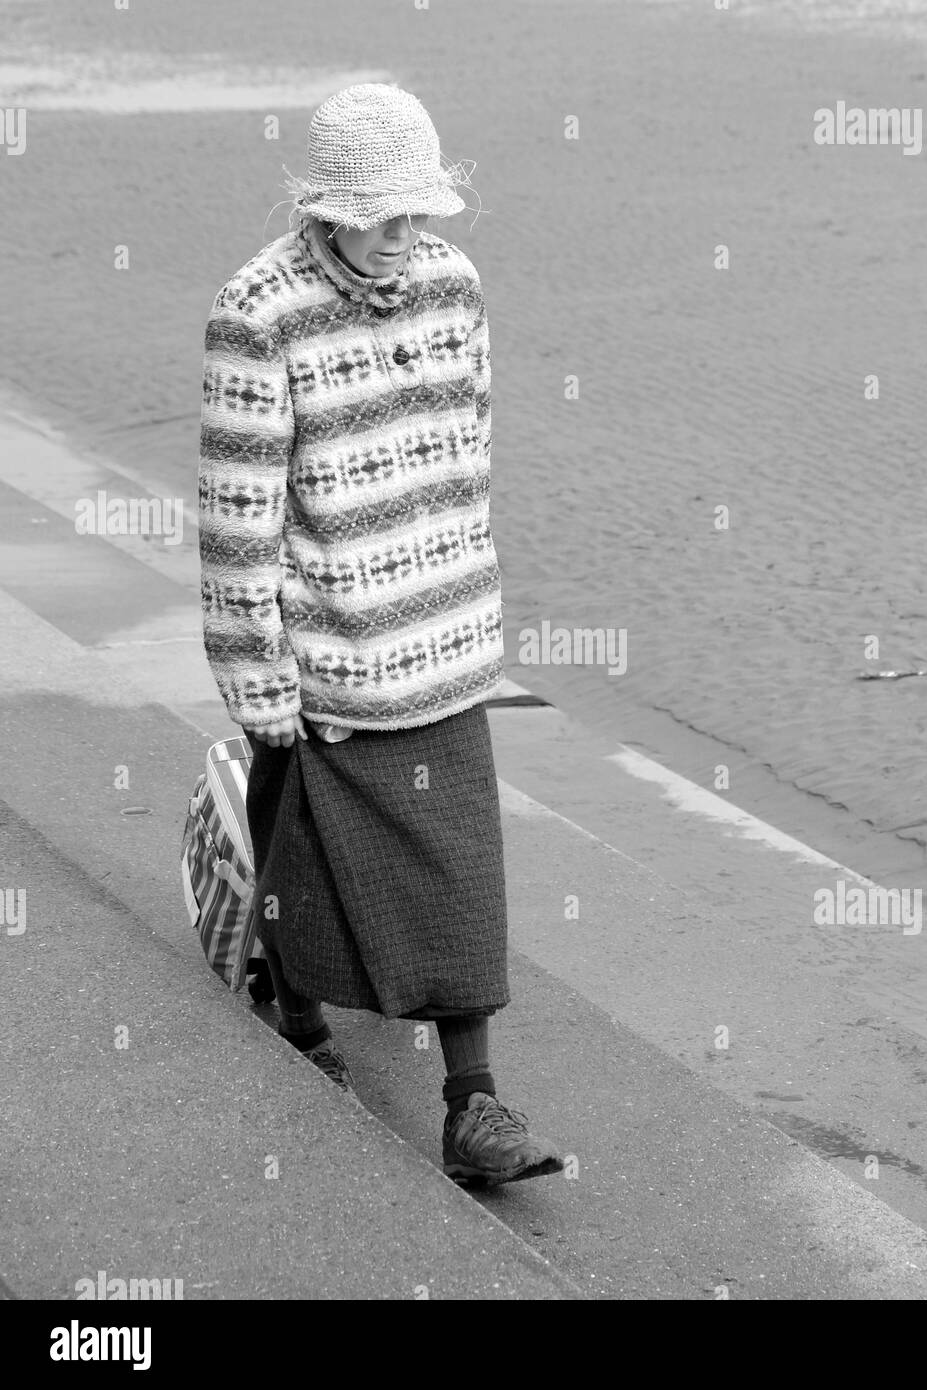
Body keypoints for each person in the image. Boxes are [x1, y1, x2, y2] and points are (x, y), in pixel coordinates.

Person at [197, 83, 563, 1187]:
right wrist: (255, 673)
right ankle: (299, 1011)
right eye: (388, 216)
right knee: (301, 850)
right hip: (326, 647)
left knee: (461, 873)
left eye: (423, 212)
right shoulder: (258, 310)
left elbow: (473, 448)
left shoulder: (452, 284)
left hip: (443, 636)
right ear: (327, 207)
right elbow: (235, 515)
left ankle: (475, 1103)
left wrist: (475, 594)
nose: (411, 237)